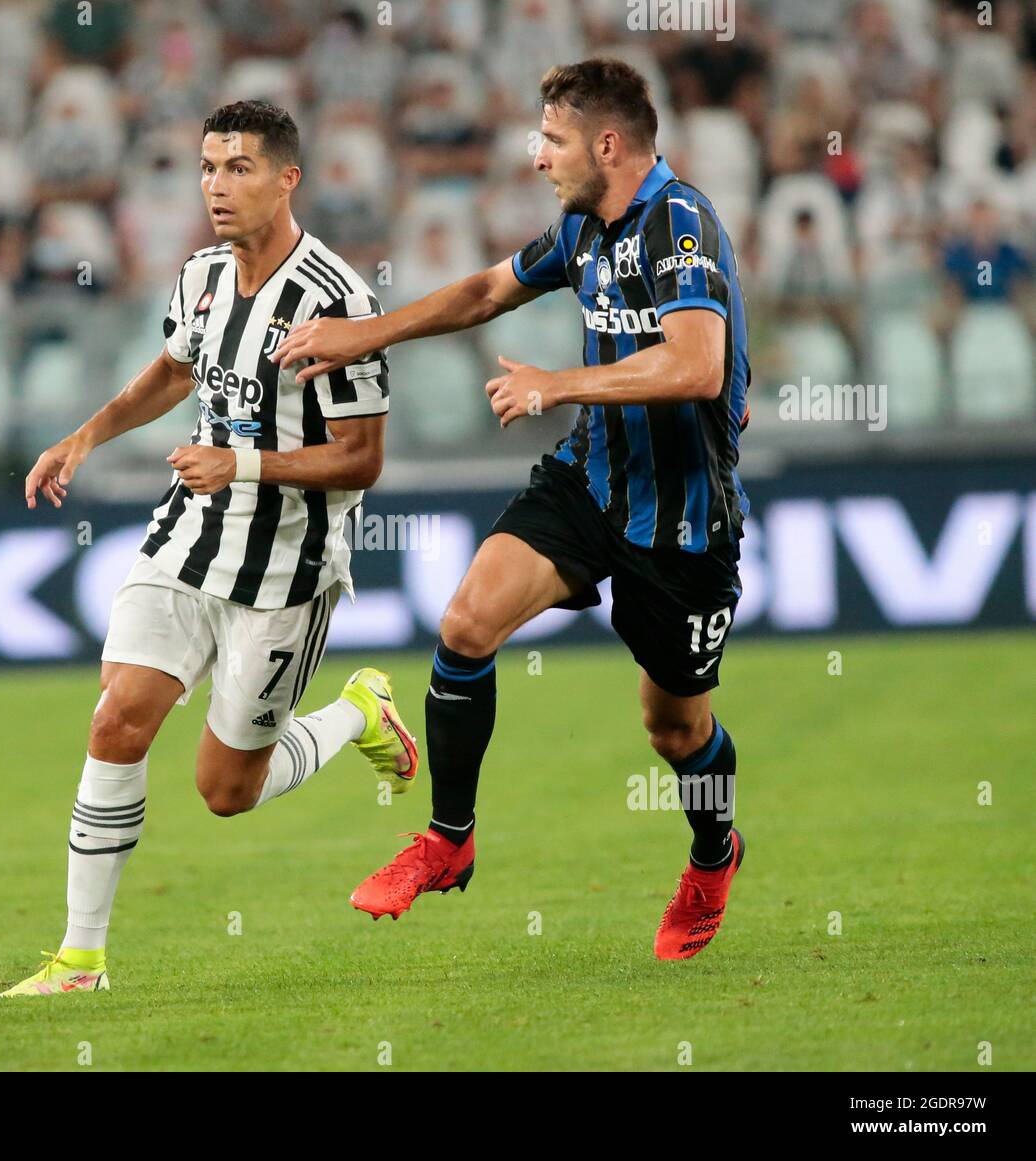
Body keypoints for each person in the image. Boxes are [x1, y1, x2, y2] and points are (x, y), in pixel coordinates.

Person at [275, 60, 751, 960]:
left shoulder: (678, 222)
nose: (539, 157)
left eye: (554, 139)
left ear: (608, 145)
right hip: (590, 483)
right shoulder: (583, 226)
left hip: (683, 520)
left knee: (675, 728)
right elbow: (488, 291)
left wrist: (554, 385)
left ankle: (712, 853)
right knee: (465, 623)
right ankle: (449, 839)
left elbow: (698, 366)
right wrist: (365, 332)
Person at [0, 100, 415, 996]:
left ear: (287, 177)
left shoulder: (340, 300)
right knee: (117, 718)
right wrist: (86, 436)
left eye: (239, 169)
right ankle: (81, 958)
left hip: (285, 573)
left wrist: (244, 462)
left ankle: (359, 713)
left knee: (225, 789)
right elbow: (176, 371)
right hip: (186, 538)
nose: (217, 187)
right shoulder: (198, 277)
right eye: (207, 168)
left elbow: (364, 459)